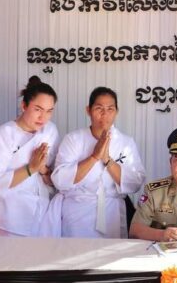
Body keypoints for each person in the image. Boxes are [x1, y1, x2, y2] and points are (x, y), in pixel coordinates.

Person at [49, 87, 145, 237]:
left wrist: (107, 160)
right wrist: (94, 157)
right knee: (75, 250)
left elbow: (135, 183)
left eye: (110, 109)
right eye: (99, 108)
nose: (104, 114)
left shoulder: (126, 142)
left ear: (116, 111)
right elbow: (59, 180)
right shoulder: (73, 139)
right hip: (77, 210)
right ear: (88, 110)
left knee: (111, 251)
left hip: (112, 212)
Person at [0, 76, 59, 237]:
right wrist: (30, 168)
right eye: (38, 109)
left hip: (40, 213)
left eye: (49, 111)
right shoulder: (3, 135)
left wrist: (43, 170)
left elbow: (55, 177)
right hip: (8, 215)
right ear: (24, 106)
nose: (43, 117)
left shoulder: (50, 131)